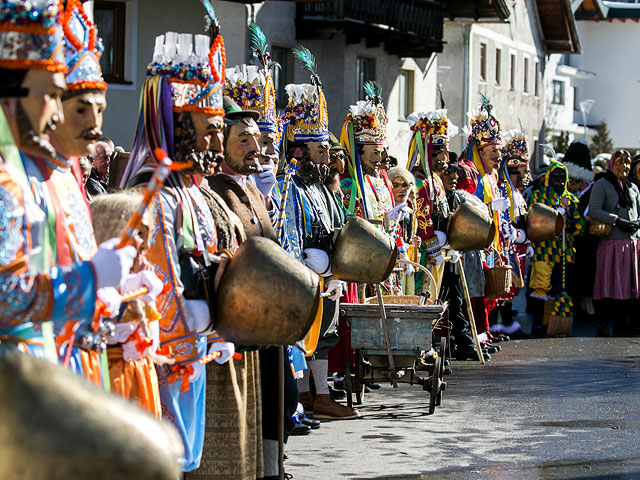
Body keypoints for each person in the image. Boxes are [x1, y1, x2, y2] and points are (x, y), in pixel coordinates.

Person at [0, 0, 137, 378]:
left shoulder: (54, 173)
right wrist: (90, 280)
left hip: (56, 374)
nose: (56, 114)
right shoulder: (7, 179)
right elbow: (7, 298)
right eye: (49, 96)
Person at [120, 24, 233, 473]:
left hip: (197, 345)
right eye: (209, 130)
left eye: (221, 130)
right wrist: (195, 334)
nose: (218, 143)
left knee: (185, 460)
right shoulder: (153, 191)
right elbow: (159, 284)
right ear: (178, 123)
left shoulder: (189, 189)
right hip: (165, 354)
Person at [278, 46, 358, 420]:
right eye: (320, 150)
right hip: (307, 268)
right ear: (300, 150)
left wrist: (337, 266)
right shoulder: (289, 184)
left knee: (325, 333)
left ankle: (319, 394)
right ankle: (310, 396)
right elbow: (288, 230)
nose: (328, 157)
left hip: (327, 271)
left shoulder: (323, 185)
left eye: (328, 150)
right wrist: (305, 266)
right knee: (306, 333)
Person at [90, 191, 165, 417]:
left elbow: (151, 339)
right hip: (108, 375)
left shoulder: (141, 275)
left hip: (141, 376)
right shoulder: (96, 283)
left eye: (146, 234)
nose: (144, 244)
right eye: (138, 234)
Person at [437, 159, 487, 360]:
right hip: (436, 256)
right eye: (449, 175)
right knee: (438, 301)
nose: (453, 179)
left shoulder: (456, 198)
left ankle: (465, 342)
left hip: (452, 257)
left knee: (456, 301)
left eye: (456, 176)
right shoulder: (436, 195)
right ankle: (451, 342)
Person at [528, 160, 584, 336]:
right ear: (548, 179)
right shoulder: (538, 196)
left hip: (564, 252)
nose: (559, 180)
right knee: (540, 287)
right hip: (544, 250)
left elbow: (579, 228)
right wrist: (554, 217)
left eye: (562, 177)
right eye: (555, 177)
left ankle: (553, 324)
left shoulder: (572, 199)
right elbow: (534, 222)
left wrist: (570, 214)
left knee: (560, 289)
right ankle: (538, 324)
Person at [406, 109, 458, 293]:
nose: (446, 158)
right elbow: (422, 218)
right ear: (430, 153)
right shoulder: (419, 181)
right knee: (424, 294)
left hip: (440, 248)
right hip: (425, 253)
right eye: (442, 152)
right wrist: (434, 248)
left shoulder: (435, 179)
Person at [589, 149, 640, 336]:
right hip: (612, 244)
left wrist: (636, 224)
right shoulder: (602, 185)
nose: (624, 167)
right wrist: (617, 220)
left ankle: (622, 323)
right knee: (608, 284)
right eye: (619, 163)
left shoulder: (632, 188)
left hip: (631, 244)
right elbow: (593, 210)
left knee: (627, 286)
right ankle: (603, 322)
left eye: (627, 163)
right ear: (612, 164)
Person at [562, 140, 598, 321]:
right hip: (570, 242)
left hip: (587, 243)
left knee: (586, 275)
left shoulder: (592, 192)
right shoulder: (568, 194)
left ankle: (588, 307)